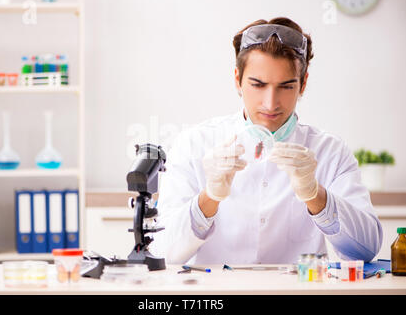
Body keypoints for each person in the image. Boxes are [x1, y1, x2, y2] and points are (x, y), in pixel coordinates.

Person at [149, 17, 383, 265]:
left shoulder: (330, 151)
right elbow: (164, 253)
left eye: (286, 87)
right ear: (238, 79)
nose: (270, 103)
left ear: (303, 84)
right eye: (258, 85)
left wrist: (316, 197)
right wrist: (209, 197)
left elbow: (366, 250)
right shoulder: (194, 144)